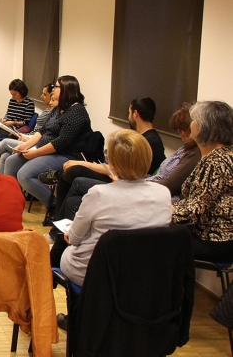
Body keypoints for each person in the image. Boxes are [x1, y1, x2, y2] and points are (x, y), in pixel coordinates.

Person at [59, 129, 172, 287]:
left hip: (97, 272)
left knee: (64, 247)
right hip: (142, 273)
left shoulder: (99, 193)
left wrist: (72, 235)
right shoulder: (163, 193)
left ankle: (51, 297)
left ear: (112, 162)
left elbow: (74, 239)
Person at [46, 97, 166, 221]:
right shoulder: (146, 138)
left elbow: (117, 170)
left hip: (125, 182)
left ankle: (59, 222)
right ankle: (60, 221)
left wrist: (82, 163)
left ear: (135, 114)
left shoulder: (146, 142)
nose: (128, 116)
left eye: (129, 113)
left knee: (73, 172)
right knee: (71, 174)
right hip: (121, 177)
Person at [3, 75, 92, 210]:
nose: (53, 90)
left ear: (66, 89)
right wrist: (25, 146)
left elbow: (61, 142)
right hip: (45, 149)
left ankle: (55, 206)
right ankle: (9, 202)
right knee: (11, 161)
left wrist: (35, 153)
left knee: (24, 175)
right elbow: (43, 131)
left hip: (65, 154)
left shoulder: (77, 112)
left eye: (56, 87)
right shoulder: (58, 108)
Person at [172, 100, 233, 263]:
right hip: (216, 237)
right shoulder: (224, 154)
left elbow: (195, 209)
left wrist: (161, 212)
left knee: (152, 240)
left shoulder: (215, 162)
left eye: (194, 120)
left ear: (203, 127)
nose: (191, 124)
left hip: (215, 241)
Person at [0, 83, 55, 173]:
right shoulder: (48, 110)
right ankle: (3, 183)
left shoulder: (53, 113)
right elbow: (39, 131)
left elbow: (43, 134)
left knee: (5, 142)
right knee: (5, 155)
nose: (41, 96)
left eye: (45, 94)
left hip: (34, 142)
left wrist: (27, 139)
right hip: (30, 137)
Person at [0, 79, 35, 148]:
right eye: (11, 94)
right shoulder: (12, 100)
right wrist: (4, 119)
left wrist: (13, 123)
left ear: (22, 91)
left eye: (15, 94)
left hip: (14, 128)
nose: (13, 96)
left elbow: (26, 122)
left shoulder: (29, 103)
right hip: (6, 124)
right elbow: (8, 113)